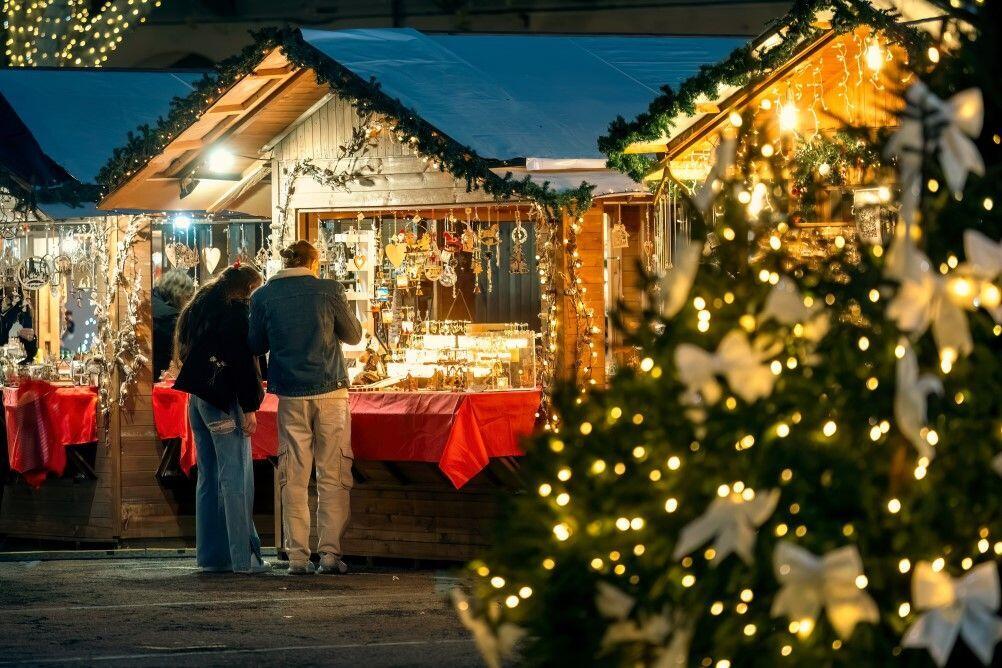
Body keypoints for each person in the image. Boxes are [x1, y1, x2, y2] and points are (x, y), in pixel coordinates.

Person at [249, 240, 362, 575]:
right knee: (333, 474)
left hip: (290, 394)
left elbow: (255, 344)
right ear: (314, 262)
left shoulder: (263, 296)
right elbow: (353, 336)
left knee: (294, 476)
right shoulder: (329, 290)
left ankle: (297, 557)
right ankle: (329, 554)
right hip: (330, 391)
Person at [174, 264, 269, 575]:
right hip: (223, 402)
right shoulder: (236, 314)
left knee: (209, 478)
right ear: (247, 290)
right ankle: (244, 559)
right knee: (236, 479)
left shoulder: (198, 307)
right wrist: (250, 406)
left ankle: (212, 556)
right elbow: (242, 363)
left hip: (197, 400)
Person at [152, 269, 196, 380]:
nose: (189, 302)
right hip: (160, 377)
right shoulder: (171, 316)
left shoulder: (151, 299)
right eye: (189, 296)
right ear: (179, 293)